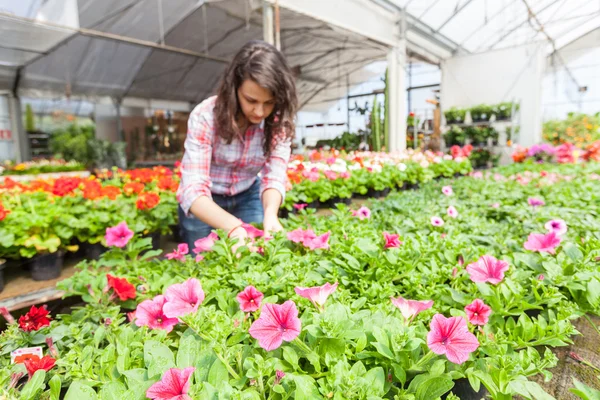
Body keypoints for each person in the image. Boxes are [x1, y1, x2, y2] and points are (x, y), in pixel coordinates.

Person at [176, 40, 297, 250]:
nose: (260, 112)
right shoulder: (206, 116)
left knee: (255, 261)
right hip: (206, 202)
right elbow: (193, 189)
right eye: (251, 100)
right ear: (234, 89)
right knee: (204, 265)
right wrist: (233, 226)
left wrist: (271, 214)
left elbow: (274, 177)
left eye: (269, 103)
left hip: (248, 195)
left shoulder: (278, 124)